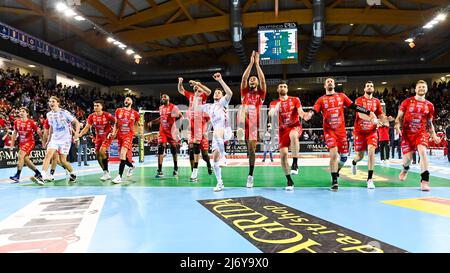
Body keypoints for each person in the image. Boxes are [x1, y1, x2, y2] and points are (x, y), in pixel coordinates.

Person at [305, 78, 377, 191]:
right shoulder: (321, 99)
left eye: (331, 81)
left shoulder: (341, 96)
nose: (330, 82)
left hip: (341, 131)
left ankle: (336, 170)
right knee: (333, 154)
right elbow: (314, 110)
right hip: (329, 131)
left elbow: (354, 106)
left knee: (344, 157)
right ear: (324, 85)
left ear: (334, 84)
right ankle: (334, 181)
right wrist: (309, 114)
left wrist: (368, 112)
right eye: (327, 81)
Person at [395, 80, 441, 191]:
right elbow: (399, 117)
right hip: (407, 133)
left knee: (423, 152)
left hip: (421, 133)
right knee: (408, 159)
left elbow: (429, 123)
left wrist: (434, 135)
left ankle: (424, 181)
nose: (421, 88)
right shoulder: (407, 102)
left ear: (426, 89)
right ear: (415, 89)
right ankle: (405, 169)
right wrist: (397, 126)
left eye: (423, 87)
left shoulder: (430, 105)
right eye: (419, 87)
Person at [270, 81, 309, 191]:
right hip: (282, 130)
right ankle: (289, 180)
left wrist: (304, 115)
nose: (283, 88)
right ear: (278, 90)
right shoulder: (274, 103)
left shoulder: (295, 99)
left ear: (287, 89)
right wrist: (274, 111)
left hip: (295, 126)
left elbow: (300, 112)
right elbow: (271, 114)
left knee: (293, 135)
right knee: (283, 155)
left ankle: (295, 163)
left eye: (285, 86)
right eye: (281, 86)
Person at [199, 72, 233, 191]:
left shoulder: (223, 102)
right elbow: (195, 106)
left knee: (217, 132)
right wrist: (199, 90)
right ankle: (220, 183)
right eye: (216, 92)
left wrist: (220, 80)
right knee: (215, 160)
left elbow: (230, 93)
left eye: (219, 92)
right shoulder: (209, 106)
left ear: (222, 96)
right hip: (216, 135)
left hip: (226, 131)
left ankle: (224, 156)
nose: (217, 93)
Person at [349, 81, 386, 189]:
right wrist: (372, 119)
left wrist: (385, 119)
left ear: (373, 89)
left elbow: (381, 115)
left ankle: (369, 179)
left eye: (371, 86)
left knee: (371, 151)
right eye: (367, 86)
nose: (369, 87)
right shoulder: (359, 100)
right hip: (359, 132)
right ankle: (354, 162)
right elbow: (360, 114)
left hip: (372, 132)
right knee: (360, 156)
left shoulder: (377, 101)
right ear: (364, 89)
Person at [240, 50, 267, 188]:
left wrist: (257, 63)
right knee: (247, 146)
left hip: (253, 125)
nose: (252, 79)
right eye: (251, 78)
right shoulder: (244, 92)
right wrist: (250, 63)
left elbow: (262, 79)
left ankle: (250, 175)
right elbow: (244, 79)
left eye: (254, 79)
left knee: (251, 149)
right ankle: (248, 150)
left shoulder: (261, 94)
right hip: (241, 123)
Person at [39, 96, 80, 185]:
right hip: (55, 138)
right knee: (48, 155)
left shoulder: (64, 113)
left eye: (53, 101)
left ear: (58, 103)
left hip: (65, 139)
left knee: (63, 161)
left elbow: (76, 123)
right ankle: (42, 176)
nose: (51, 103)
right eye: (49, 102)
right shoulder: (48, 114)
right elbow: (51, 127)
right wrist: (48, 140)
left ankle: (73, 173)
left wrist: (76, 134)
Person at [178, 77, 212, 182]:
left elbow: (209, 91)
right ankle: (193, 171)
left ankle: (207, 164)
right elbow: (181, 90)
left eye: (199, 86)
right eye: (196, 86)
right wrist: (180, 82)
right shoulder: (190, 95)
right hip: (190, 123)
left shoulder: (203, 95)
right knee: (191, 148)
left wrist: (198, 84)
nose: (197, 87)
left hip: (199, 122)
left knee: (204, 154)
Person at [79, 100, 116, 180]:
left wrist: (113, 132)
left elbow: (116, 122)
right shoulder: (91, 116)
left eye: (97, 105)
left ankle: (106, 171)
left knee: (102, 151)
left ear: (102, 107)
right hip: (98, 137)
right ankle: (105, 172)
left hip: (107, 136)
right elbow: (86, 127)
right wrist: (79, 135)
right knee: (97, 155)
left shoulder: (107, 115)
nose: (95, 107)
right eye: (94, 106)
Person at [110, 96, 143, 184]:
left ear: (131, 102)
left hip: (128, 136)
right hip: (120, 136)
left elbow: (139, 124)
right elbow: (116, 124)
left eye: (128, 99)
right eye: (125, 99)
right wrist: (113, 133)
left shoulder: (135, 113)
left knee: (122, 153)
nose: (126, 100)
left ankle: (119, 176)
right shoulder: (118, 110)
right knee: (122, 156)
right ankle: (131, 166)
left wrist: (140, 134)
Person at [149, 94, 183, 178]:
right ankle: (159, 170)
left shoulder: (173, 107)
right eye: (162, 97)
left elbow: (181, 117)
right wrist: (152, 122)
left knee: (174, 150)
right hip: (162, 131)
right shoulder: (161, 108)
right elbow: (161, 118)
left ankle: (175, 168)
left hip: (172, 132)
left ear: (168, 98)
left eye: (165, 97)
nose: (163, 98)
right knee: (161, 148)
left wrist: (178, 127)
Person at [8, 107, 43, 183]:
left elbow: (39, 132)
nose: (21, 113)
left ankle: (17, 175)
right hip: (21, 143)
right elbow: (14, 134)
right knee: (26, 161)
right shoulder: (16, 122)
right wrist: (11, 145)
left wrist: (43, 141)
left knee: (20, 155)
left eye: (23, 111)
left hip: (30, 142)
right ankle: (38, 173)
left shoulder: (32, 122)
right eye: (20, 111)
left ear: (27, 113)